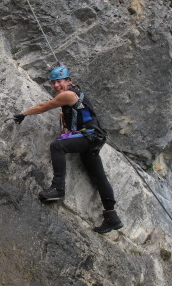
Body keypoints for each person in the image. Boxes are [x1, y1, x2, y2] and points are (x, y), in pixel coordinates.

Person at [13, 65, 123, 234]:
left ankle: (57, 188)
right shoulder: (76, 95)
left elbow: (45, 106)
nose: (56, 85)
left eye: (59, 81)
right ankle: (112, 216)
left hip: (88, 137)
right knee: (99, 177)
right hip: (93, 139)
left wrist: (24, 113)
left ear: (69, 81)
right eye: (53, 82)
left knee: (57, 146)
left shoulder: (68, 94)